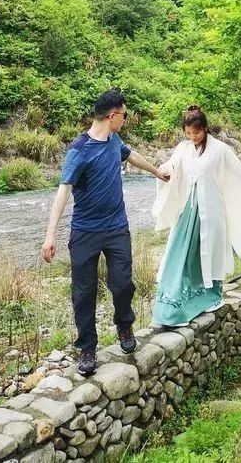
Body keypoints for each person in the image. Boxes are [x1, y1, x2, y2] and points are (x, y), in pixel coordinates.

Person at [41, 88, 170, 376]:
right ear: (112, 116)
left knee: (123, 283)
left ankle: (124, 325)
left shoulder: (114, 140)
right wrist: (51, 235)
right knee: (83, 292)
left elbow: (130, 155)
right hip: (85, 232)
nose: (125, 120)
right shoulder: (79, 150)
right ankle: (87, 348)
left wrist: (156, 172)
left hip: (116, 228)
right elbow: (63, 192)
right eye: (124, 116)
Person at [151, 105, 241, 328]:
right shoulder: (183, 148)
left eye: (196, 133)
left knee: (211, 251)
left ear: (205, 128)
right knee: (182, 254)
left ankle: (213, 296)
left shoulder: (220, 149)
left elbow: (240, 175)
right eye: (188, 133)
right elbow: (172, 164)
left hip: (212, 209)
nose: (192, 137)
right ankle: (175, 305)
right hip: (188, 210)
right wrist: (165, 170)